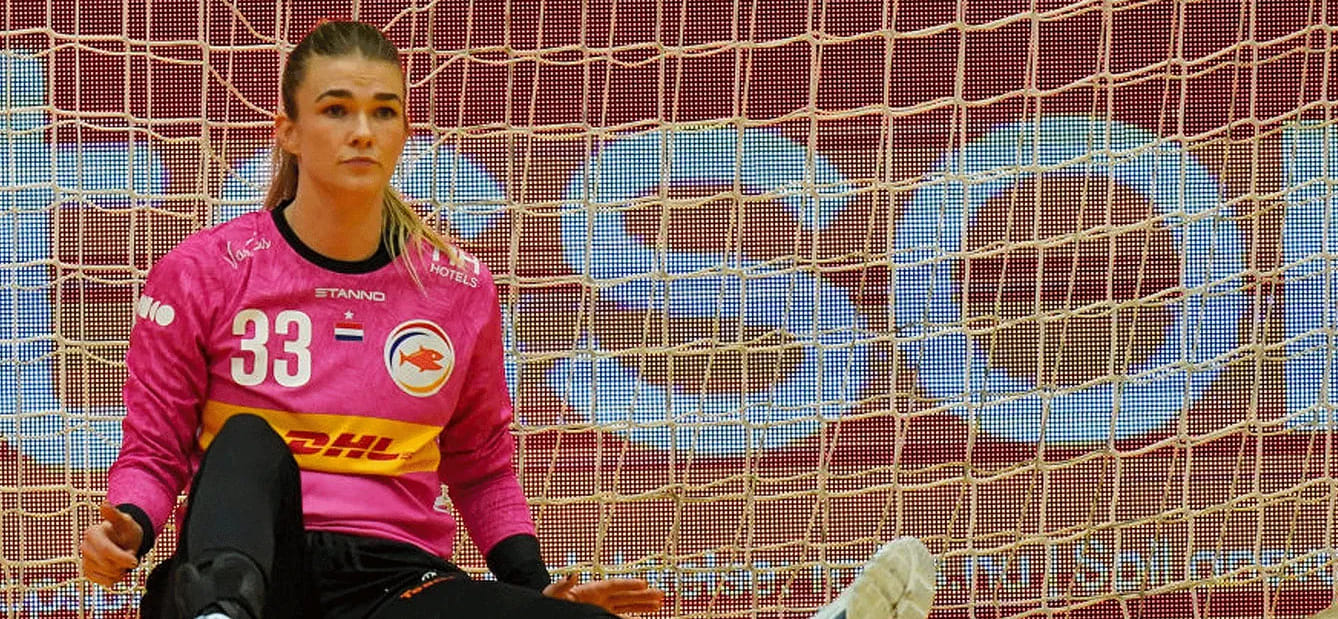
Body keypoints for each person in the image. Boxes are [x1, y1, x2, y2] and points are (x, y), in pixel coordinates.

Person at [78, 19, 936, 619]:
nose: (361, 131)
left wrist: (532, 584)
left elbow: (482, 466)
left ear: (404, 131)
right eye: (336, 109)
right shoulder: (205, 269)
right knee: (248, 441)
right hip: (252, 574)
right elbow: (154, 451)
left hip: (391, 580)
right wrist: (129, 525)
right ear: (290, 132)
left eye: (383, 111)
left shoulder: (455, 286)